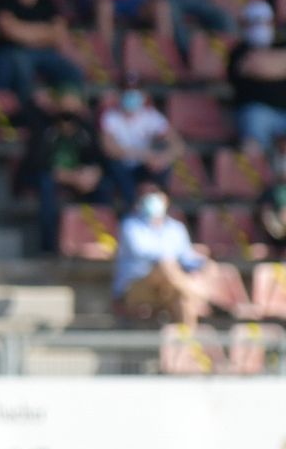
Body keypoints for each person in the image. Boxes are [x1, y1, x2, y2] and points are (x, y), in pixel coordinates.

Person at [20, 84, 104, 253]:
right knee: (46, 185)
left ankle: (100, 239)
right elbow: (38, 164)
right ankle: (48, 247)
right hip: (46, 176)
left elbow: (99, 159)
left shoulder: (86, 129)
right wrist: (71, 177)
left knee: (104, 187)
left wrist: (94, 173)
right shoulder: (44, 126)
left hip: (78, 177)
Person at [113, 182, 208, 322]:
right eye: (148, 195)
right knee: (165, 265)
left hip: (171, 285)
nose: (153, 199)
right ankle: (200, 296)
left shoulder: (176, 228)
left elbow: (187, 258)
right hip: (136, 286)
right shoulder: (130, 226)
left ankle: (188, 340)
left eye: (155, 194)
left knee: (184, 297)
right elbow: (143, 252)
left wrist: (201, 259)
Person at [0, 0, 85, 93]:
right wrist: (44, 31)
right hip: (14, 52)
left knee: (73, 73)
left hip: (45, 52)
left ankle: (68, 109)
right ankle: (26, 109)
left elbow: (59, 32)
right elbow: (9, 31)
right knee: (22, 68)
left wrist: (23, 29)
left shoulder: (47, 1)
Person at [98, 86, 184, 206]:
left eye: (134, 93)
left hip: (143, 168)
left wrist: (162, 158)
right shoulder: (110, 117)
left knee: (163, 168)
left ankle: (160, 208)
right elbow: (110, 149)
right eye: (128, 92)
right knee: (114, 168)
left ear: (143, 96)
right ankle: (132, 207)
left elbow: (178, 145)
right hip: (121, 168)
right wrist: (146, 155)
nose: (131, 97)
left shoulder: (152, 116)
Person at [227, 0, 286, 149]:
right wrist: (279, 63)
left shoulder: (280, 44)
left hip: (283, 111)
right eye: (255, 22)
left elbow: (263, 67)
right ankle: (256, 168)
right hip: (255, 110)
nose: (261, 27)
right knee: (255, 125)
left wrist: (270, 64)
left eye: (265, 22)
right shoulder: (238, 50)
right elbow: (257, 67)